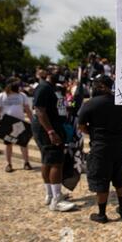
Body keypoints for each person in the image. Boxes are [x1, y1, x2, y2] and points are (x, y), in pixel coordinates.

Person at [77, 75, 122, 223]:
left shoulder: (89, 104)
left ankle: (102, 214)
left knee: (101, 180)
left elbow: (81, 126)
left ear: (99, 86)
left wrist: (92, 132)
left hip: (100, 148)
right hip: (119, 146)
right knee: (120, 178)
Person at [31, 68, 76, 212]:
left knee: (48, 160)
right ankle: (56, 200)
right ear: (49, 74)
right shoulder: (43, 88)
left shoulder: (53, 89)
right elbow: (40, 111)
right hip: (48, 128)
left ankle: (51, 194)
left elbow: (60, 107)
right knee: (56, 161)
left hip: (52, 126)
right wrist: (51, 131)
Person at [0, 78, 33, 172]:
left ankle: (26, 162)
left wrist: (33, 122)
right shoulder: (1, 96)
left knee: (23, 144)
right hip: (6, 123)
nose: (18, 87)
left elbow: (27, 109)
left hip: (20, 123)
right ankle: (8, 164)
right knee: (8, 144)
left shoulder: (22, 95)